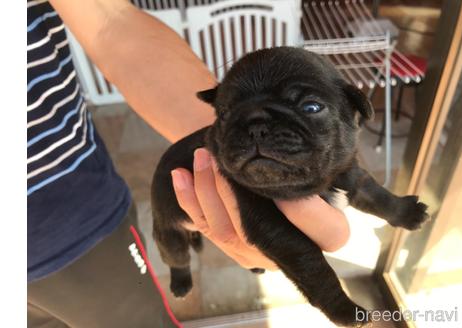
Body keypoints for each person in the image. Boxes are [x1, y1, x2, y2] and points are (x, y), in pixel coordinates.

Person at [27, 0, 351, 327]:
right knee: (171, 246)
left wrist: (230, 144)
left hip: (74, 223)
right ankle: (180, 269)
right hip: (72, 222)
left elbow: (109, 23)